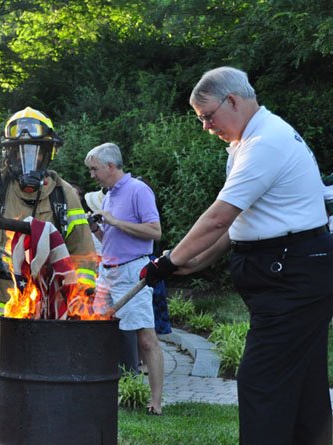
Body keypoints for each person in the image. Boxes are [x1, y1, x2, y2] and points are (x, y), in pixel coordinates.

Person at [141, 66, 333, 445]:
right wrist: (194, 261)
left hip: (292, 280)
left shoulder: (266, 143)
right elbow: (239, 226)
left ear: (232, 100)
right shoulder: (247, 143)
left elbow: (218, 217)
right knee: (305, 386)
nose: (206, 127)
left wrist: (168, 262)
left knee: (261, 383)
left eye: (208, 116)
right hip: (290, 273)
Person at [0, 107, 97, 444]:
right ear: (8, 153)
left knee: (45, 398)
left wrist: (79, 302)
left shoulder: (65, 197)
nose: (28, 160)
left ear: (49, 152)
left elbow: (84, 257)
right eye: (20, 151)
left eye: (36, 150)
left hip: (50, 319)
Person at [84, 142, 164, 414]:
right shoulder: (108, 195)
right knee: (100, 335)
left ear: (110, 166)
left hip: (134, 273)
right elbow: (112, 241)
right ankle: (102, 393)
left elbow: (155, 232)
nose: (92, 175)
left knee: (145, 338)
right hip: (108, 272)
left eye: (95, 169)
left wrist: (115, 222)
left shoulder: (138, 190)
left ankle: (156, 402)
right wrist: (97, 228)